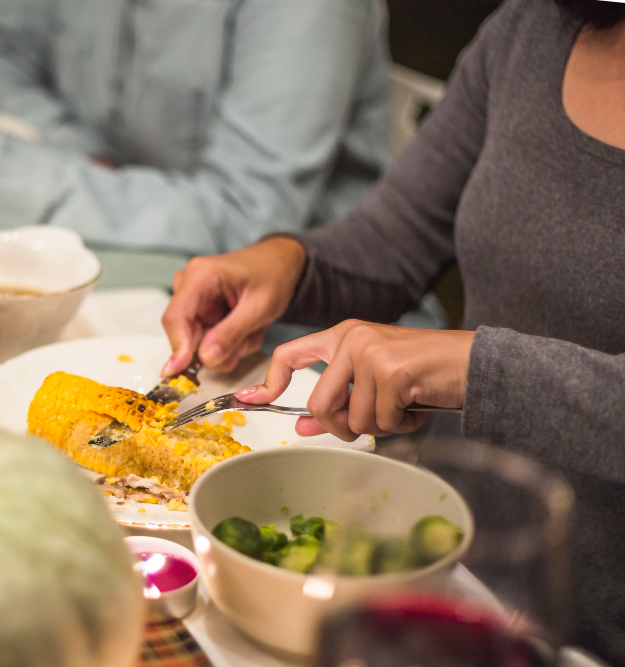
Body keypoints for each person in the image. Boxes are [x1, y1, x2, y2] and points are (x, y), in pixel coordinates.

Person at [160, 0, 625, 661]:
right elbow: (398, 236)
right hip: (438, 579)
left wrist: (479, 370)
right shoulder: (531, 28)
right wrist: (288, 263)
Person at [0, 0, 394, 256]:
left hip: (300, 338)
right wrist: (76, 151)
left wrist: (1, 169)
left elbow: (248, 220)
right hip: (132, 262)